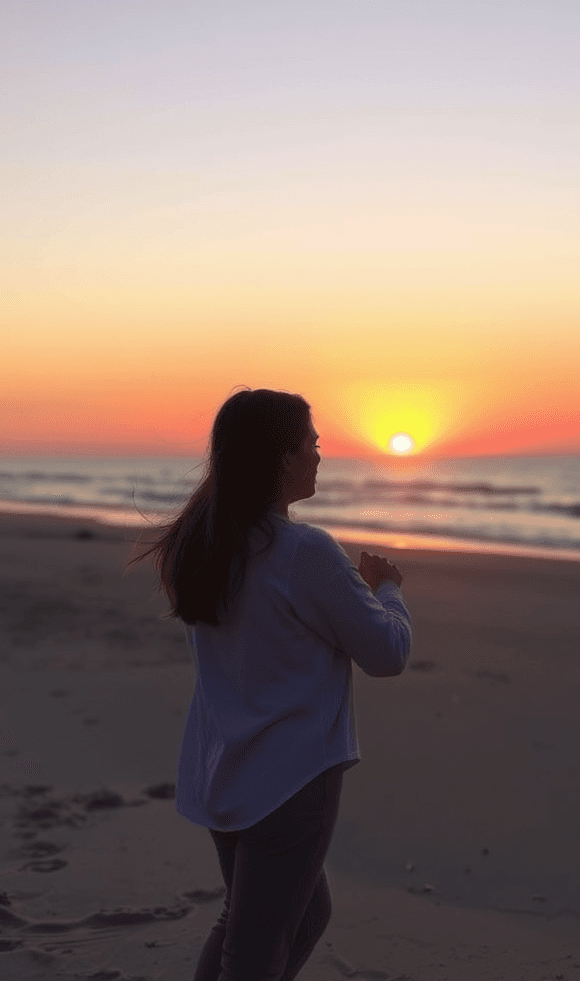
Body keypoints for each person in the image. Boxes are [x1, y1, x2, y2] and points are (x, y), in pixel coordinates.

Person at [130, 388, 411, 981]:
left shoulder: (205, 542)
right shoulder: (303, 551)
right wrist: (387, 590)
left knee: (288, 918)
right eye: (310, 442)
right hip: (293, 775)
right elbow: (386, 653)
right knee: (259, 940)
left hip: (224, 765)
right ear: (279, 456)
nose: (318, 455)